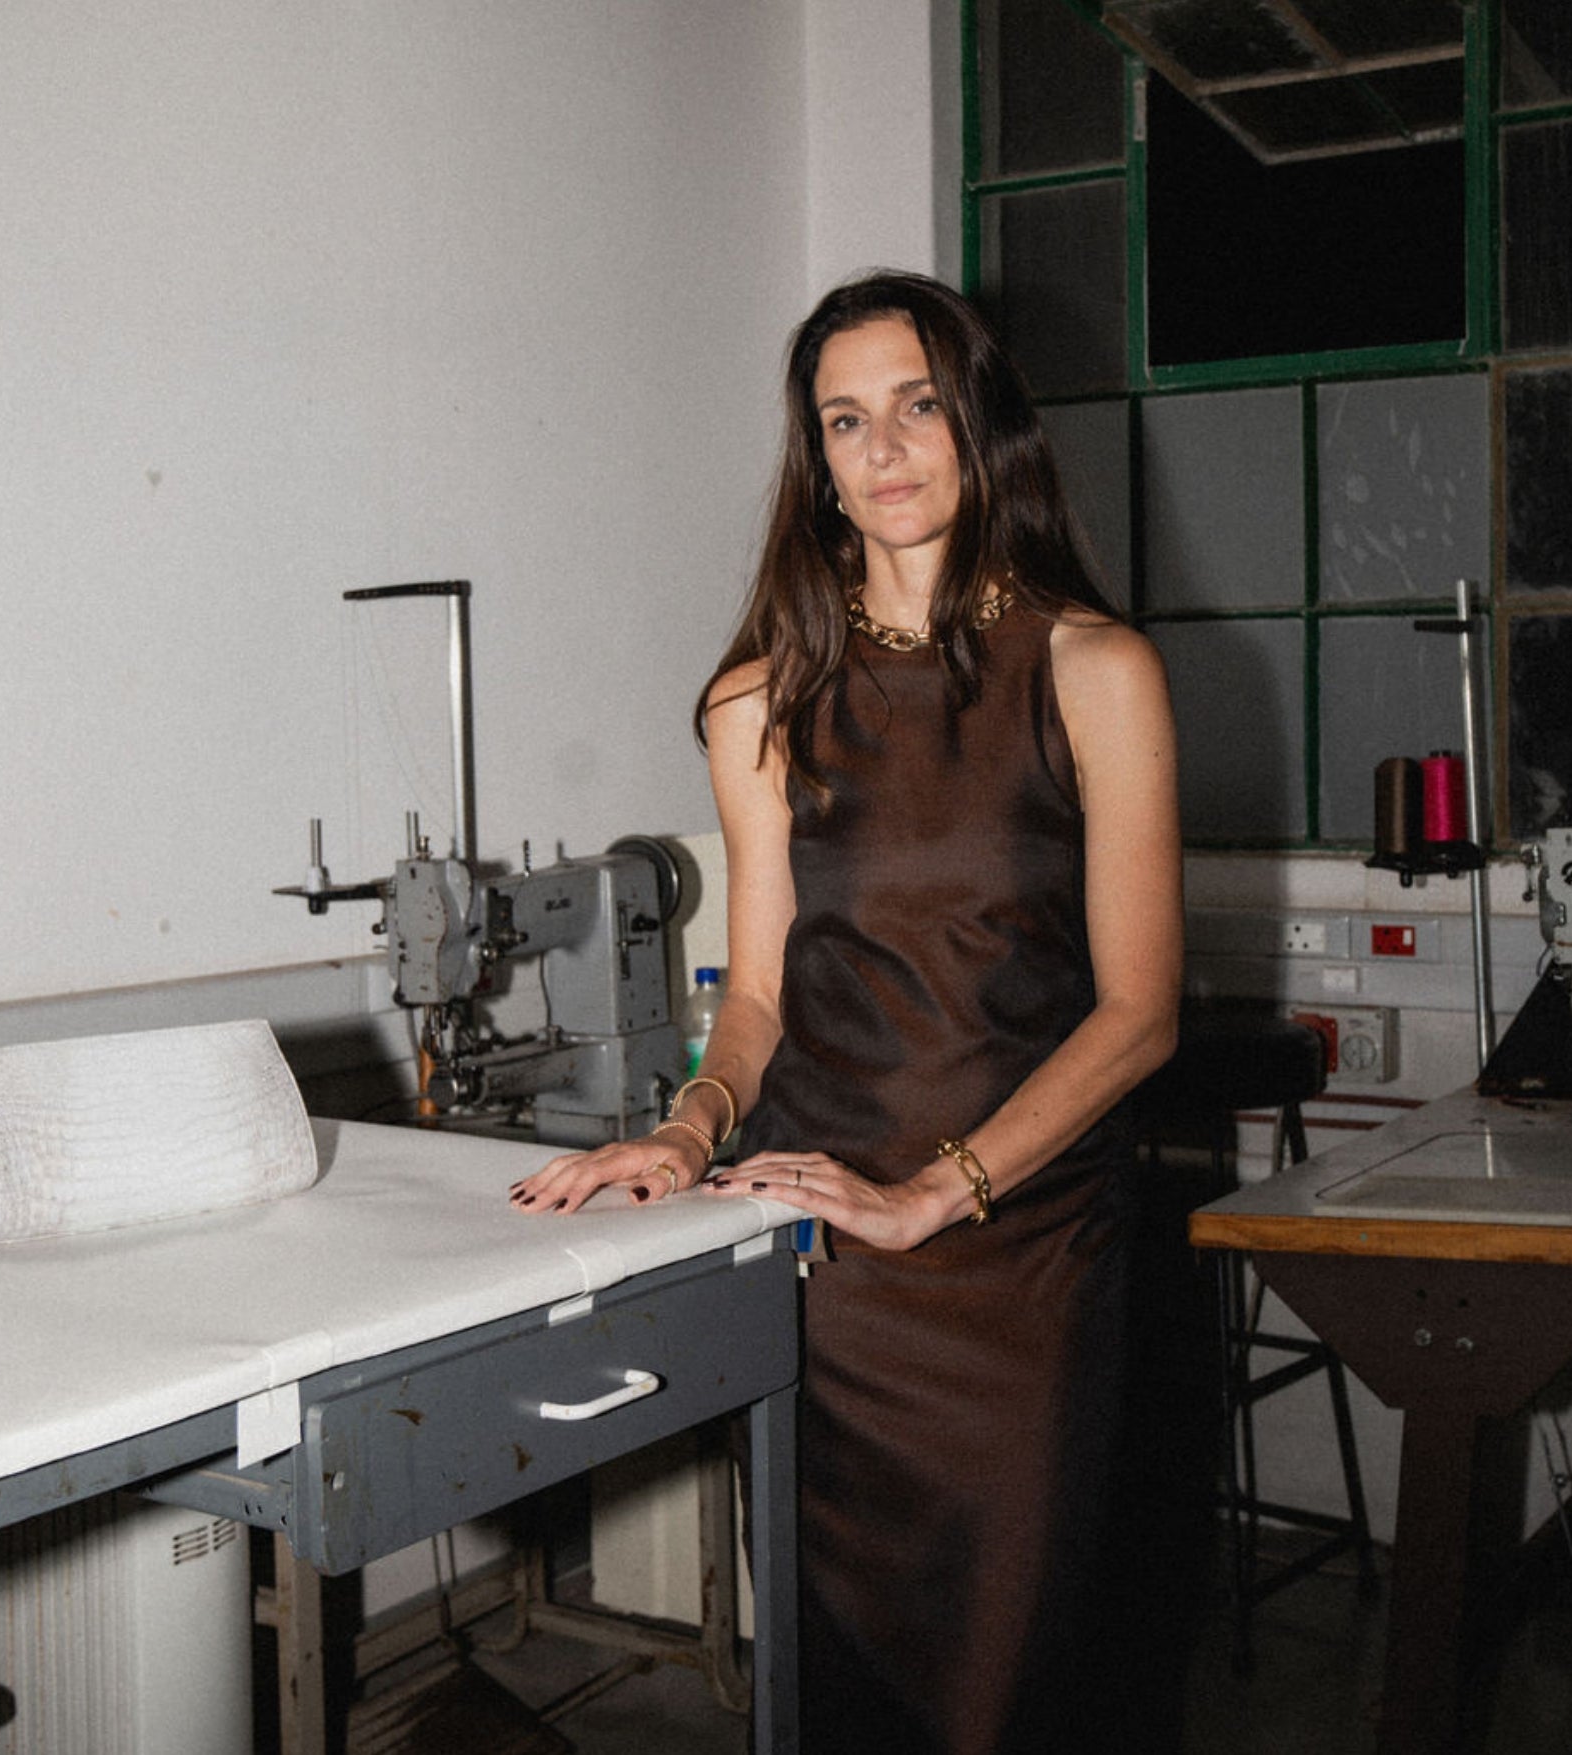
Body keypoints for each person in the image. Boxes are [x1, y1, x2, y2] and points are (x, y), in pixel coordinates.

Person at [508, 269, 1184, 1752]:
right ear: (815, 462)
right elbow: (756, 993)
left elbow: (1140, 1015)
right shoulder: (757, 701)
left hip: (1022, 1258)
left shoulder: (1094, 669)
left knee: (1009, 1685)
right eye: (844, 420)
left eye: (918, 406)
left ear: (982, 424)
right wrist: (689, 1133)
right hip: (833, 1261)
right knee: (843, 1689)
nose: (884, 450)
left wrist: (936, 1197)